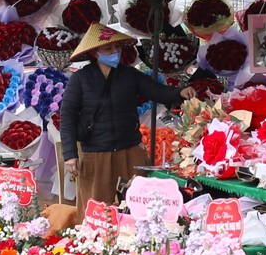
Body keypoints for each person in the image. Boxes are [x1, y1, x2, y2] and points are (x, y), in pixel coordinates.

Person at [59, 24, 190, 207]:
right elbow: (67, 116)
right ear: (95, 53)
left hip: (130, 151)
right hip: (97, 153)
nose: (115, 51)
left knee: (139, 207)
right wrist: (70, 154)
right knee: (96, 210)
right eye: (108, 48)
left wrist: (180, 92)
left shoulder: (130, 75)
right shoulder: (80, 79)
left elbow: (157, 91)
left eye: (117, 47)